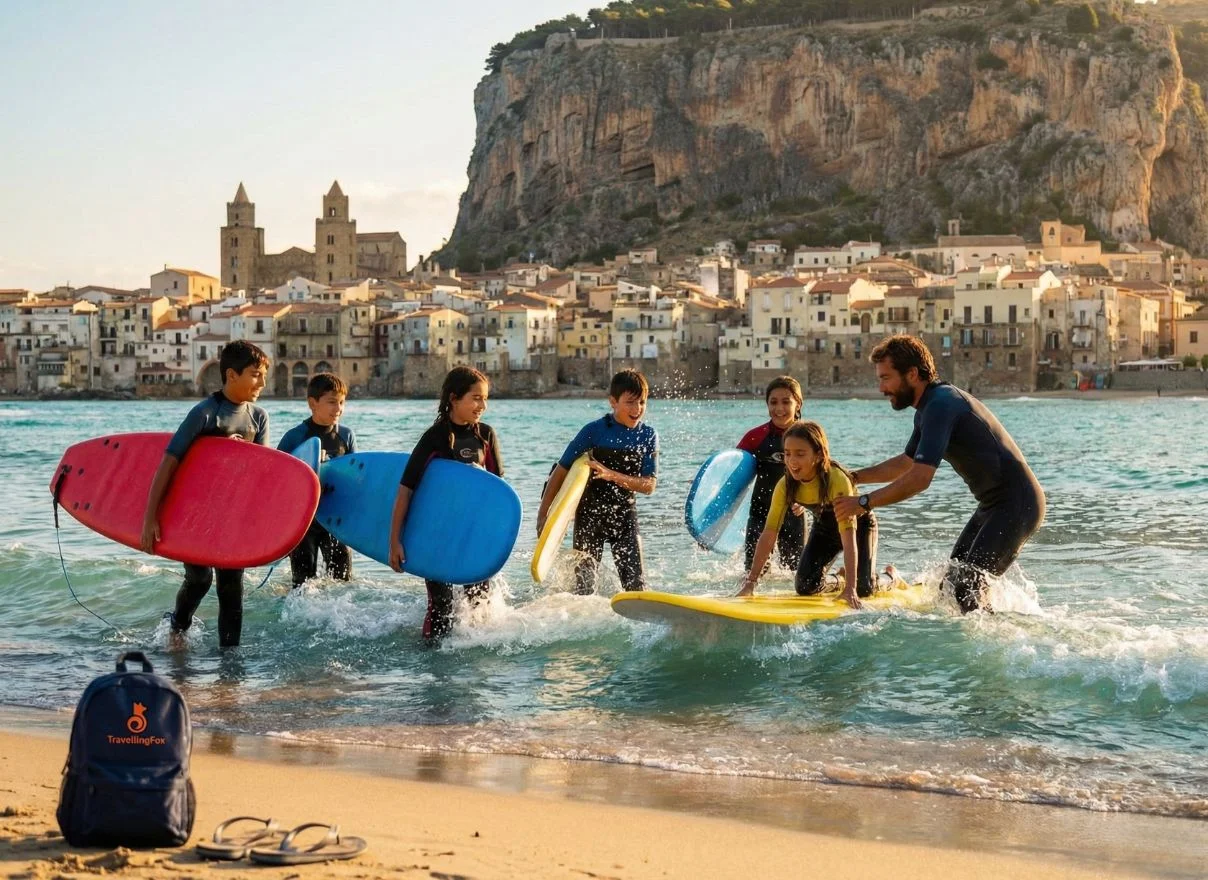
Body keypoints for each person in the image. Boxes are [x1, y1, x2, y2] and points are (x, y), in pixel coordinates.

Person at [833, 335, 1045, 613]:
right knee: (951, 588)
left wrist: (863, 503)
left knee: (967, 593)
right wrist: (855, 477)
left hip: (1017, 505)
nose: (882, 388)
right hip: (995, 505)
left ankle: (1001, 647)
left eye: (886, 378)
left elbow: (920, 478)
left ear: (912, 373)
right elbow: (908, 462)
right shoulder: (928, 408)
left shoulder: (941, 405)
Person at [141, 340, 270, 648]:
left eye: (263, 374)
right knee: (200, 580)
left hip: (232, 516)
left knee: (231, 588)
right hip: (195, 513)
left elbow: (263, 472)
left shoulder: (259, 417)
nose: (262, 383)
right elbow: (169, 463)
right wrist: (150, 519)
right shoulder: (204, 413)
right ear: (231, 375)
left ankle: (229, 668)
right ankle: (177, 629)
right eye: (255, 374)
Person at [388, 366, 503, 641]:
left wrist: (494, 537)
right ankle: (433, 663)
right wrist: (395, 541)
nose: (482, 405)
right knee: (442, 609)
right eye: (476, 398)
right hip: (436, 536)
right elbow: (406, 490)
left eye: (485, 398)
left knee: (479, 603)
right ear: (454, 398)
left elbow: (498, 492)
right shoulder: (435, 437)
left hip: (472, 534)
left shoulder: (486, 436)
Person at [536, 369, 658, 595]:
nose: (637, 409)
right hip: (589, 518)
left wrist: (611, 475)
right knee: (583, 592)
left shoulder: (648, 435)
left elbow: (649, 485)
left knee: (636, 589)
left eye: (642, 402)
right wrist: (543, 514)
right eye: (630, 402)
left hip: (624, 517)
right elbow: (561, 470)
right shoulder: (594, 431)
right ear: (613, 402)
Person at [737, 421, 874, 608]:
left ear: (818, 455)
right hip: (825, 528)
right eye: (787, 454)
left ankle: (890, 577)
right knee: (805, 586)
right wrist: (750, 583)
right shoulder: (785, 486)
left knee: (863, 589)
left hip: (859, 527)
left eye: (800, 454)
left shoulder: (838, 480)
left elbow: (849, 539)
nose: (792, 461)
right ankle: (839, 580)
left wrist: (851, 588)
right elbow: (769, 534)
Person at [277, 372, 356, 588]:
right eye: (332, 402)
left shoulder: (346, 436)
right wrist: (282, 529)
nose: (338, 408)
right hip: (304, 523)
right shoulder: (295, 437)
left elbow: (353, 479)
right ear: (312, 403)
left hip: (334, 519)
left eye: (342, 402)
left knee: (343, 583)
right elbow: (278, 481)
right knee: (302, 585)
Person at [737, 376, 806, 571]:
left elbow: (821, 476)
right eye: (773, 402)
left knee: (796, 576)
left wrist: (805, 501)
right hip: (760, 513)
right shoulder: (755, 437)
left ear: (798, 404)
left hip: (794, 514)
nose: (779, 408)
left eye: (786, 402)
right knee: (753, 573)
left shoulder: (809, 437)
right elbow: (733, 476)